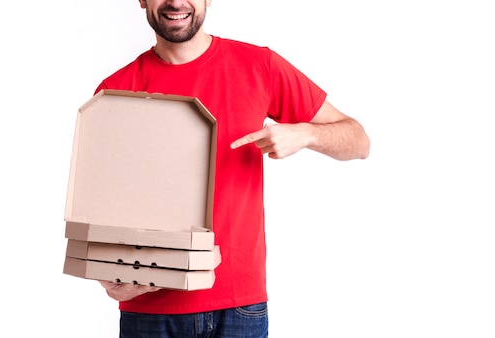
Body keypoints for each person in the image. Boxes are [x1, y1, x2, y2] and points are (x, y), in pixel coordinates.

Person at [92, 0, 370, 337]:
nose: (177, 2)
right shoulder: (115, 91)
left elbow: (358, 141)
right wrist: (109, 276)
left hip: (239, 306)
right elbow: (103, 210)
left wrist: (307, 134)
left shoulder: (259, 66)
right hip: (150, 308)